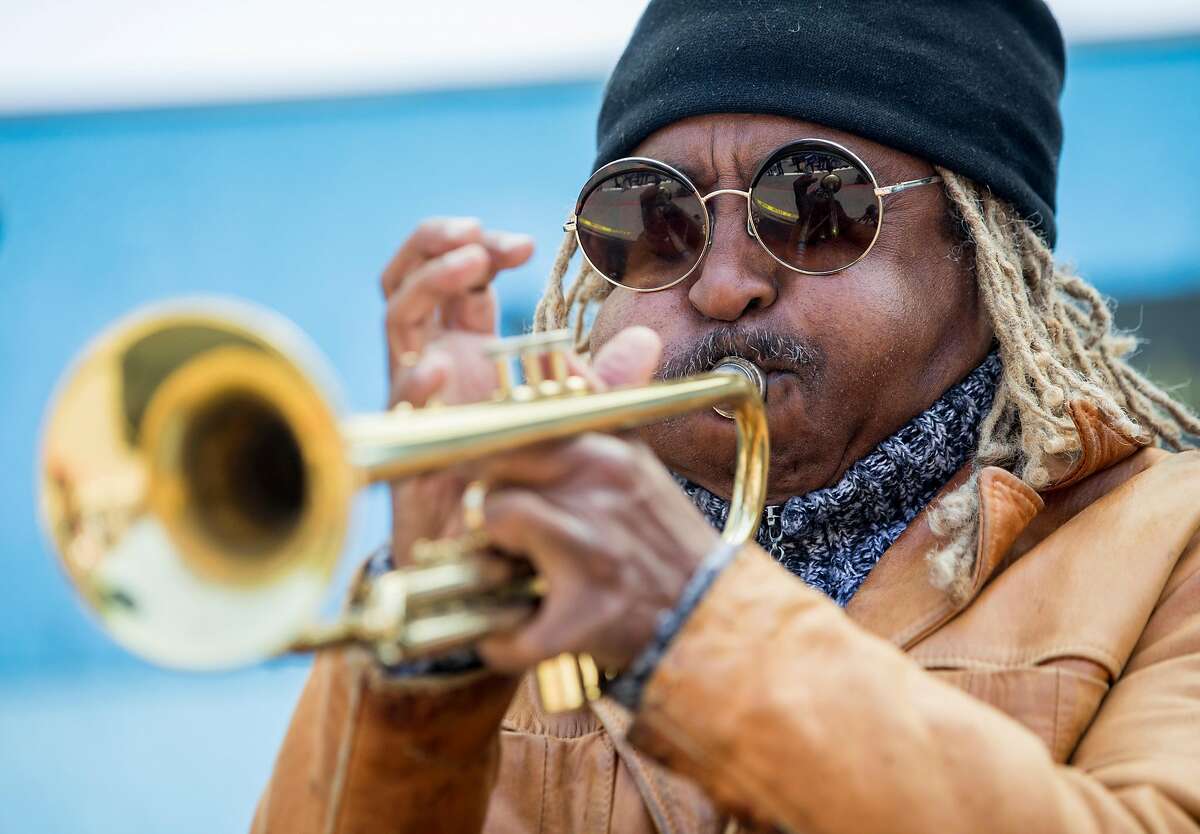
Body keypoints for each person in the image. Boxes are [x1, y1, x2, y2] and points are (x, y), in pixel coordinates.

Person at [252, 2, 1200, 832]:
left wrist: (690, 623)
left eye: (812, 205)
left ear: (984, 251)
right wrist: (421, 675)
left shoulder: (1172, 552)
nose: (723, 283)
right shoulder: (514, 565)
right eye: (655, 216)